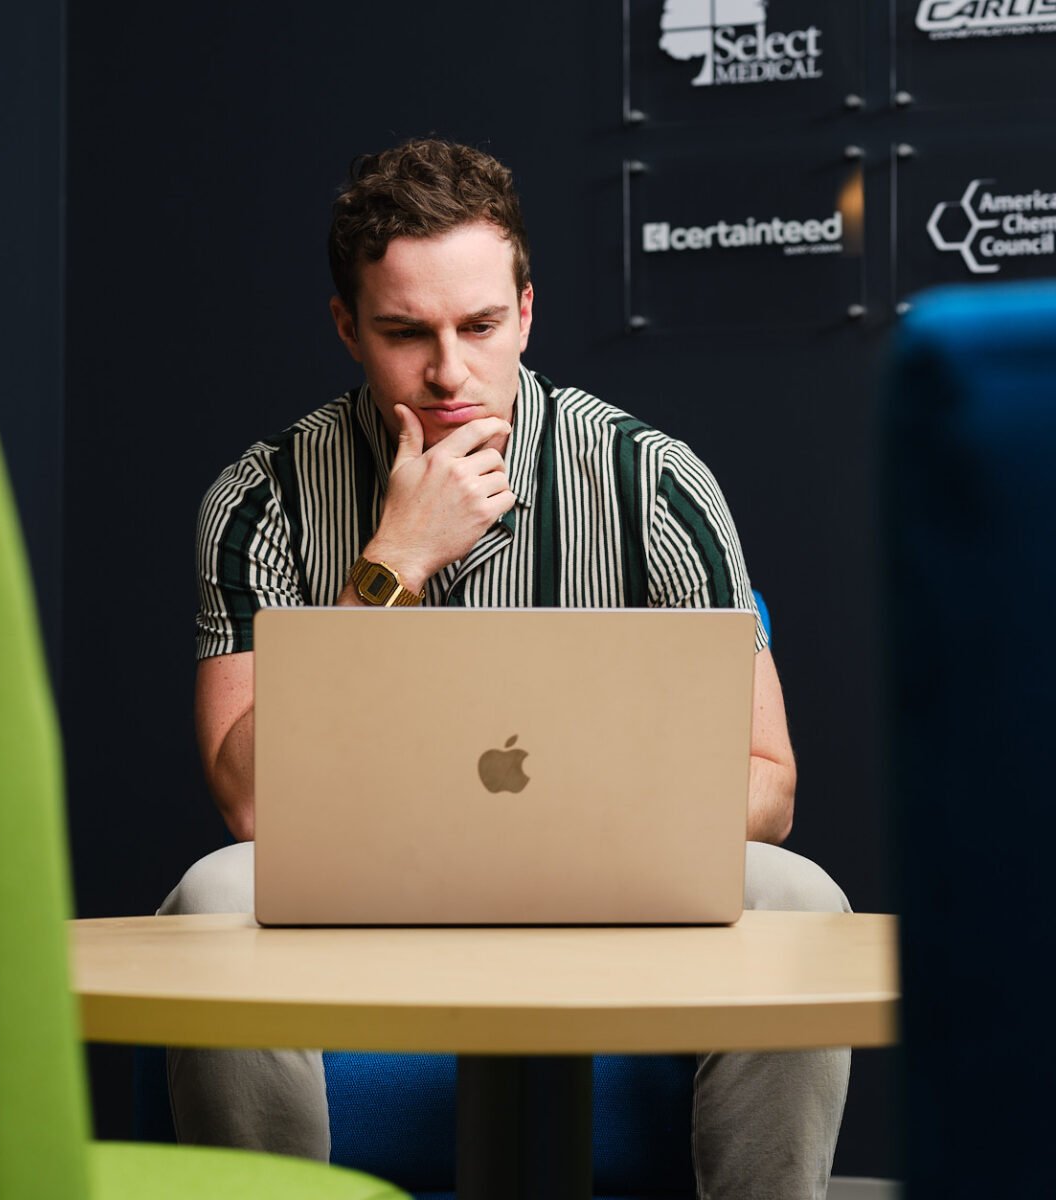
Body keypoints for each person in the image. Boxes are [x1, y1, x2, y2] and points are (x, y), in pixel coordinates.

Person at [159, 137, 850, 1200]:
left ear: (526, 312)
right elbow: (251, 800)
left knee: (804, 905)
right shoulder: (265, 500)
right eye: (405, 333)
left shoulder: (651, 483)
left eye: (480, 327)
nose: (449, 371)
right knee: (209, 905)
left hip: (617, 890)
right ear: (348, 326)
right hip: (363, 893)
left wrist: (591, 825)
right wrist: (393, 561)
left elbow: (770, 785)